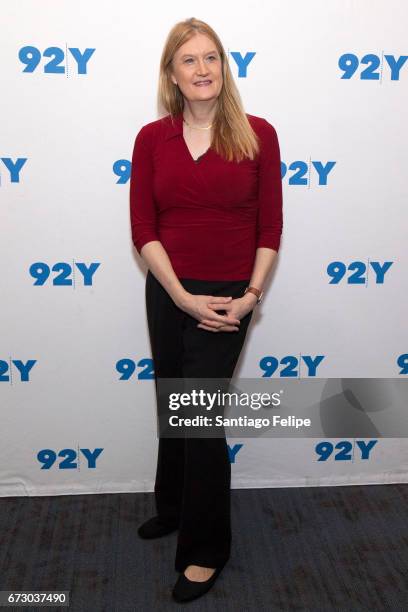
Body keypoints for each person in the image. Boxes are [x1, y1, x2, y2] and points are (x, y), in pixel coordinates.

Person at [129, 17, 283, 603]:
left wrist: (249, 298)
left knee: (200, 419)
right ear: (172, 72)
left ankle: (207, 548)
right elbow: (144, 226)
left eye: (211, 58)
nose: (202, 69)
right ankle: (172, 507)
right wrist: (178, 293)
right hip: (169, 289)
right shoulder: (151, 137)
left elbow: (270, 226)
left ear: (225, 67)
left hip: (228, 297)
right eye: (189, 60)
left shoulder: (258, 132)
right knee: (174, 400)